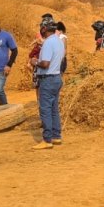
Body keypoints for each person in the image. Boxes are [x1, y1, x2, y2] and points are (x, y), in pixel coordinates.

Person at [32, 17, 66, 149]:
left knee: (45, 109)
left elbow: (45, 64)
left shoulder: (47, 43)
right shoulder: (59, 41)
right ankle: (56, 136)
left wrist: (35, 62)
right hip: (57, 77)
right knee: (53, 109)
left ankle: (47, 140)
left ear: (44, 29)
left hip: (47, 78)